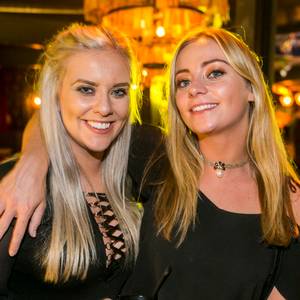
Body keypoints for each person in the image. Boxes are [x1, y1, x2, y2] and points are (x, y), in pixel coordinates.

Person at [1, 27, 300, 299]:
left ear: (252, 88)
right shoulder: (160, 157)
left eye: (215, 73)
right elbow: (61, 118)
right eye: (183, 81)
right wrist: (31, 162)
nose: (195, 88)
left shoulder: (286, 200)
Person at [0, 23, 144, 299]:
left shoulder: (137, 170)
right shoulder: (16, 186)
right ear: (55, 93)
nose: (104, 108)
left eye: (118, 91)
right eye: (86, 90)